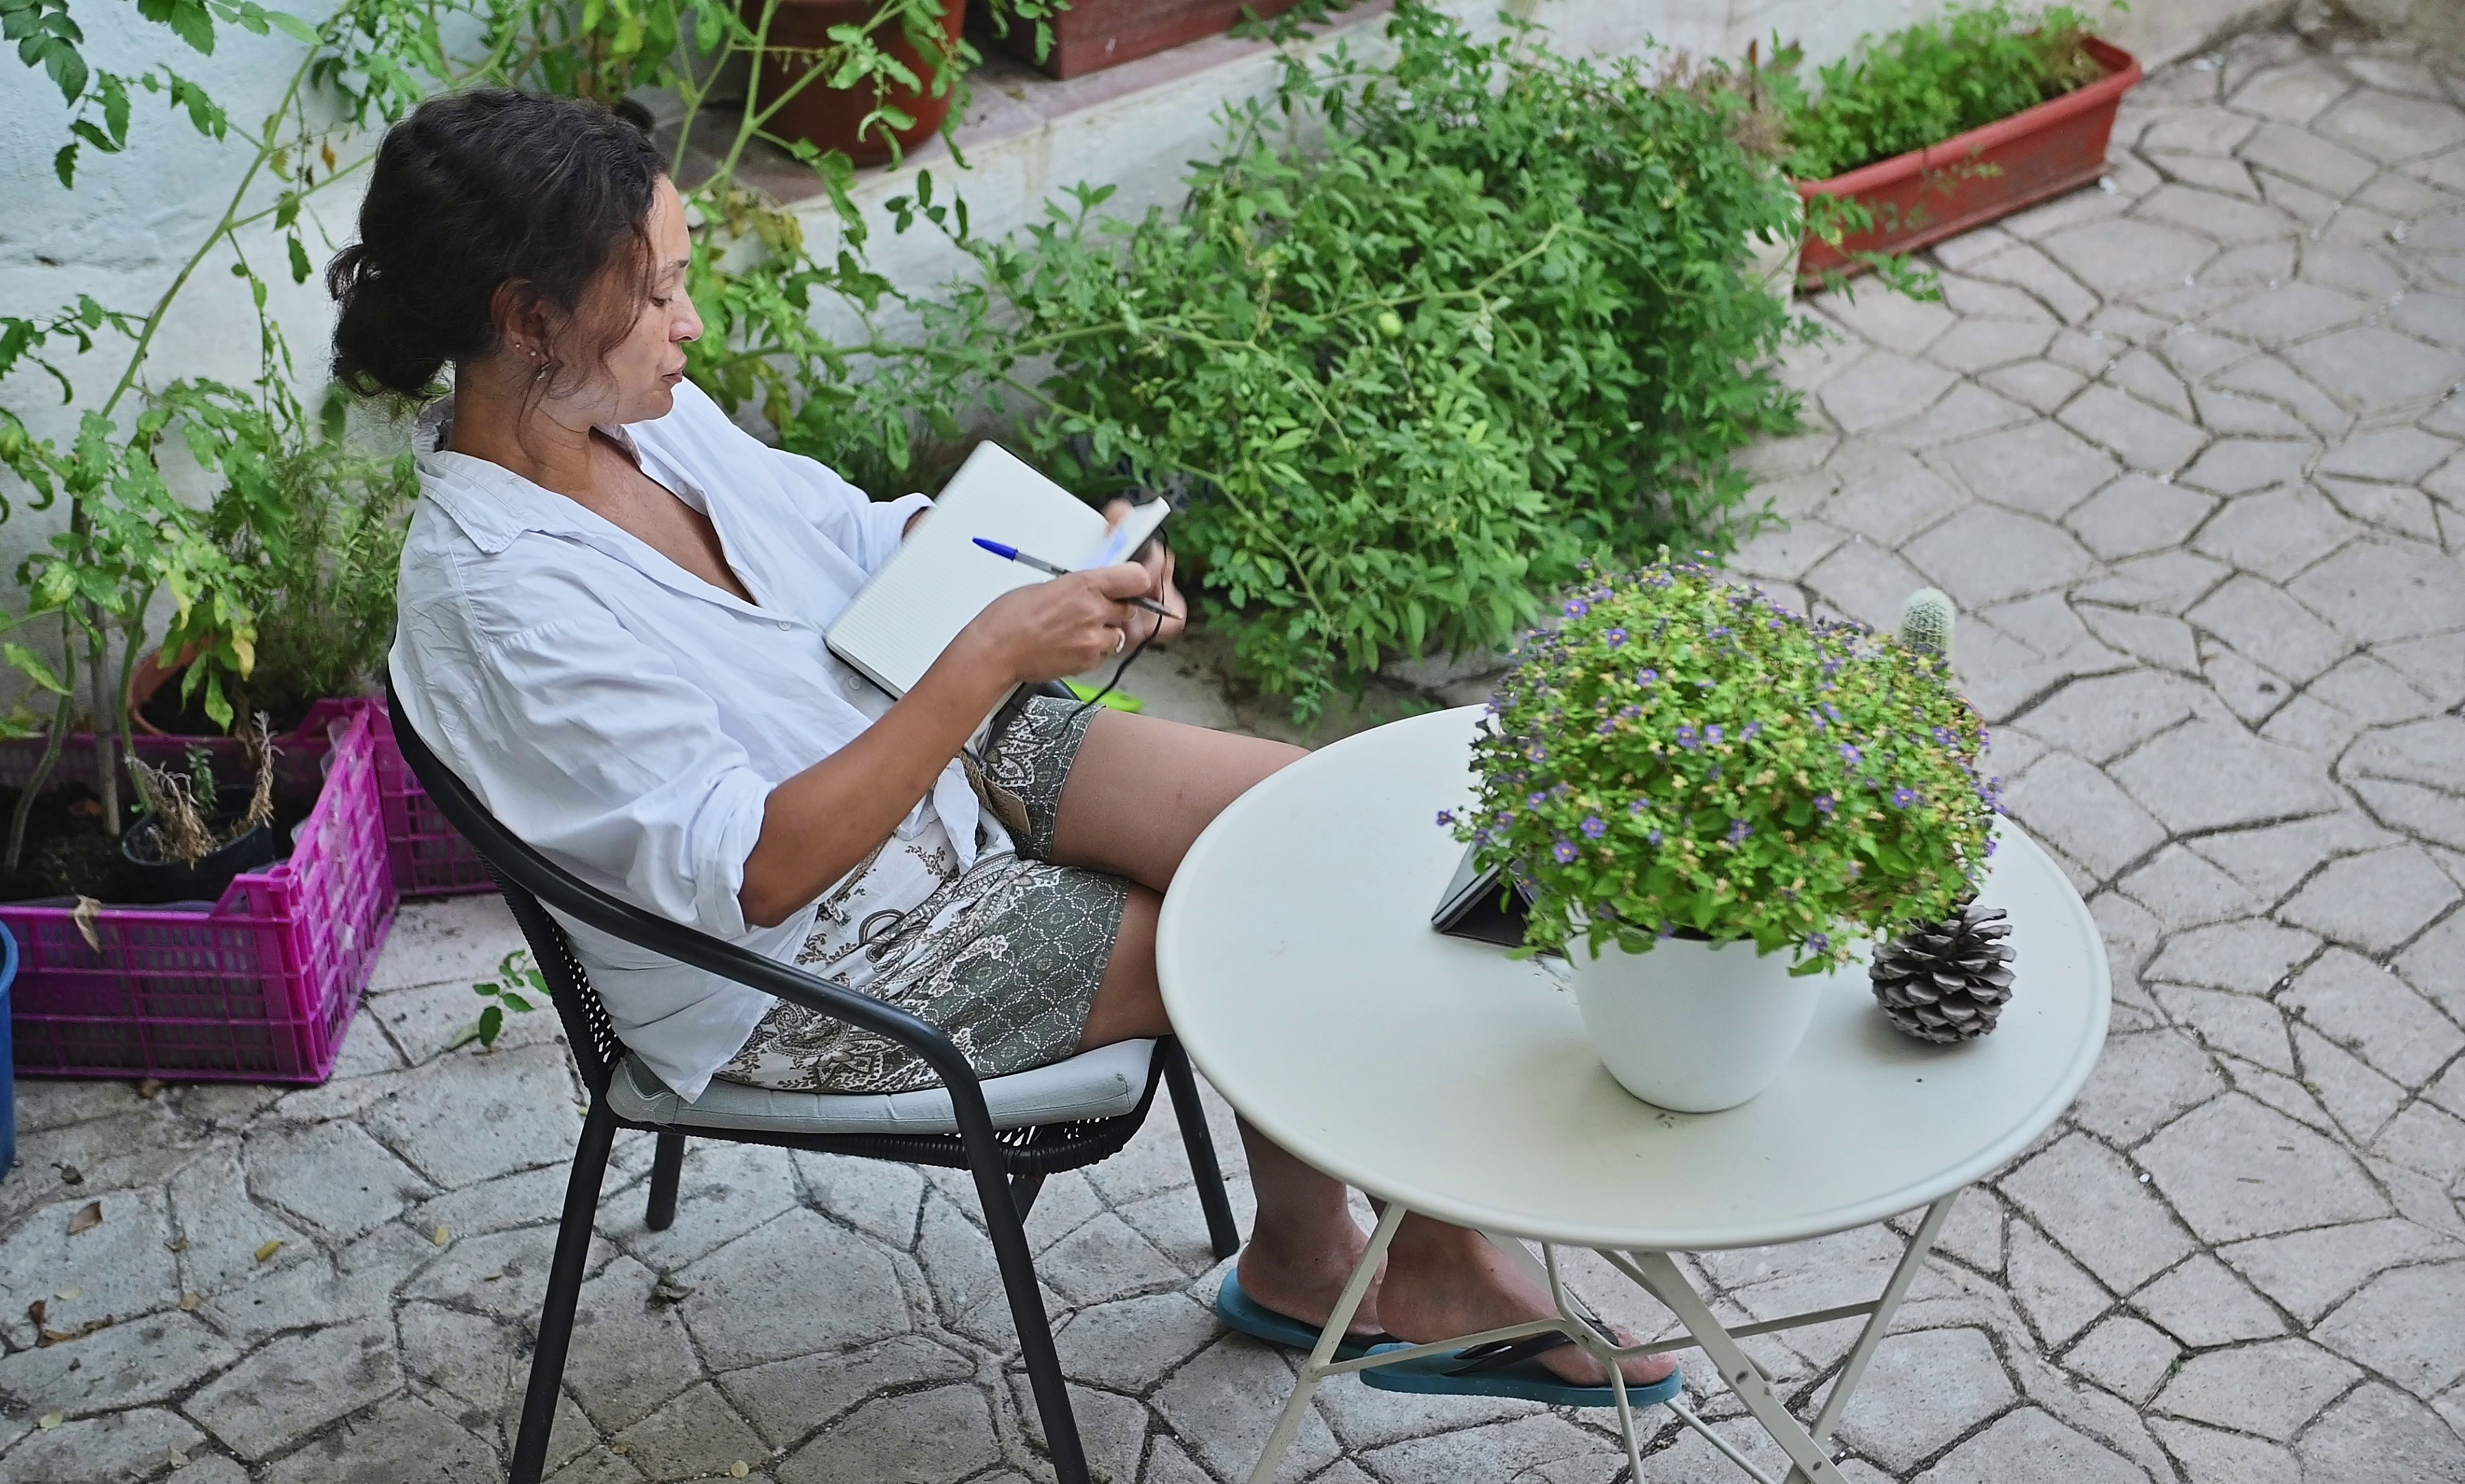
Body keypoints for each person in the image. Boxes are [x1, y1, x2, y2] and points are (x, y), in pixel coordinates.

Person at [342, 88, 1675, 1406]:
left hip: (908, 746)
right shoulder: (499, 600)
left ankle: (1324, 1254)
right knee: (1263, 928)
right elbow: (754, 874)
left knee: (1294, 814)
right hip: (806, 957)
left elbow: (851, 540)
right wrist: (991, 651)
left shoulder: (633, 414)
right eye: (659, 295)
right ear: (529, 321)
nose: (693, 321)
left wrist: (1060, 563)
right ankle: (1376, 1262)